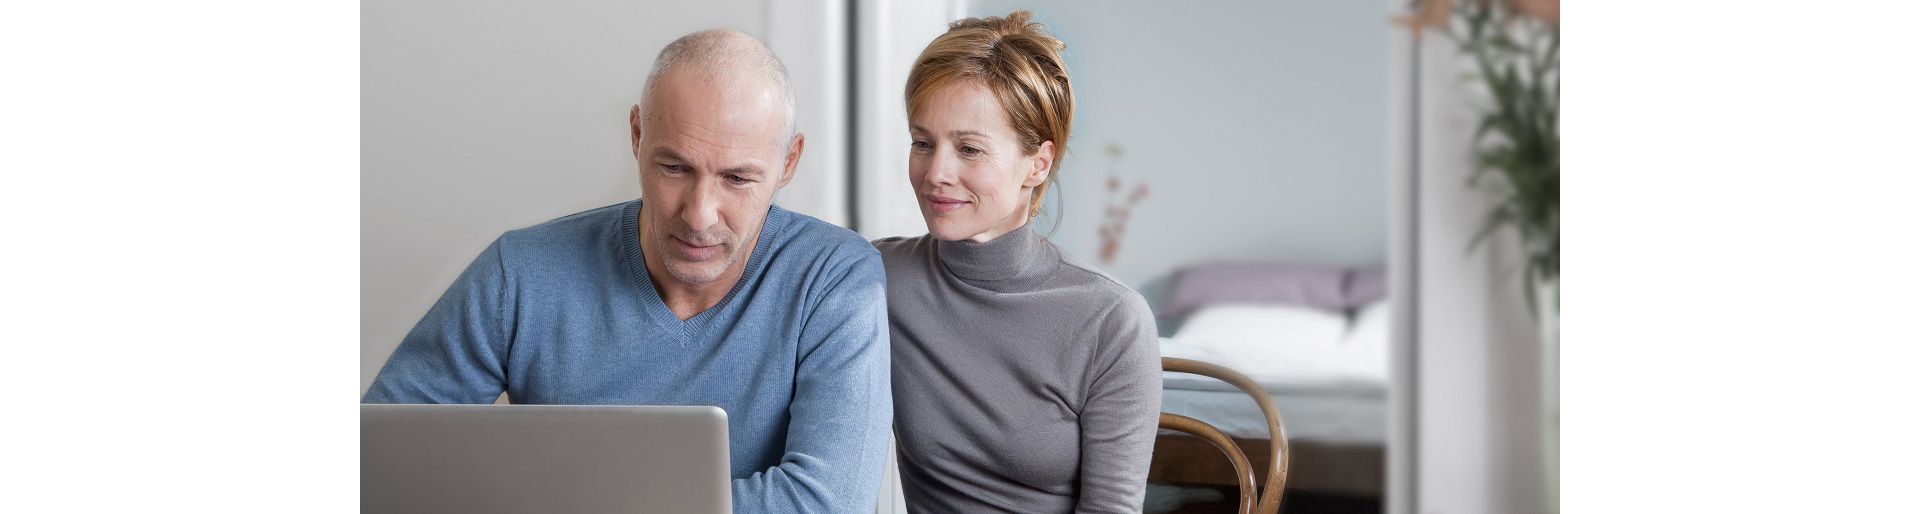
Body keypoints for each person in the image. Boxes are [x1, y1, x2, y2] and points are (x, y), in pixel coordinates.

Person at [363, 29, 891, 514]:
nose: (700, 213)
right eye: (674, 168)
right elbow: (377, 461)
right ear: (637, 134)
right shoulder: (521, 272)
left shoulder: (833, 279)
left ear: (789, 163)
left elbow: (829, 502)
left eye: (737, 178)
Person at [873, 11, 1163, 513]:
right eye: (923, 143)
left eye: (969, 149)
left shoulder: (1111, 320)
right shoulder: (876, 278)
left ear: (1038, 164)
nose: (936, 172)